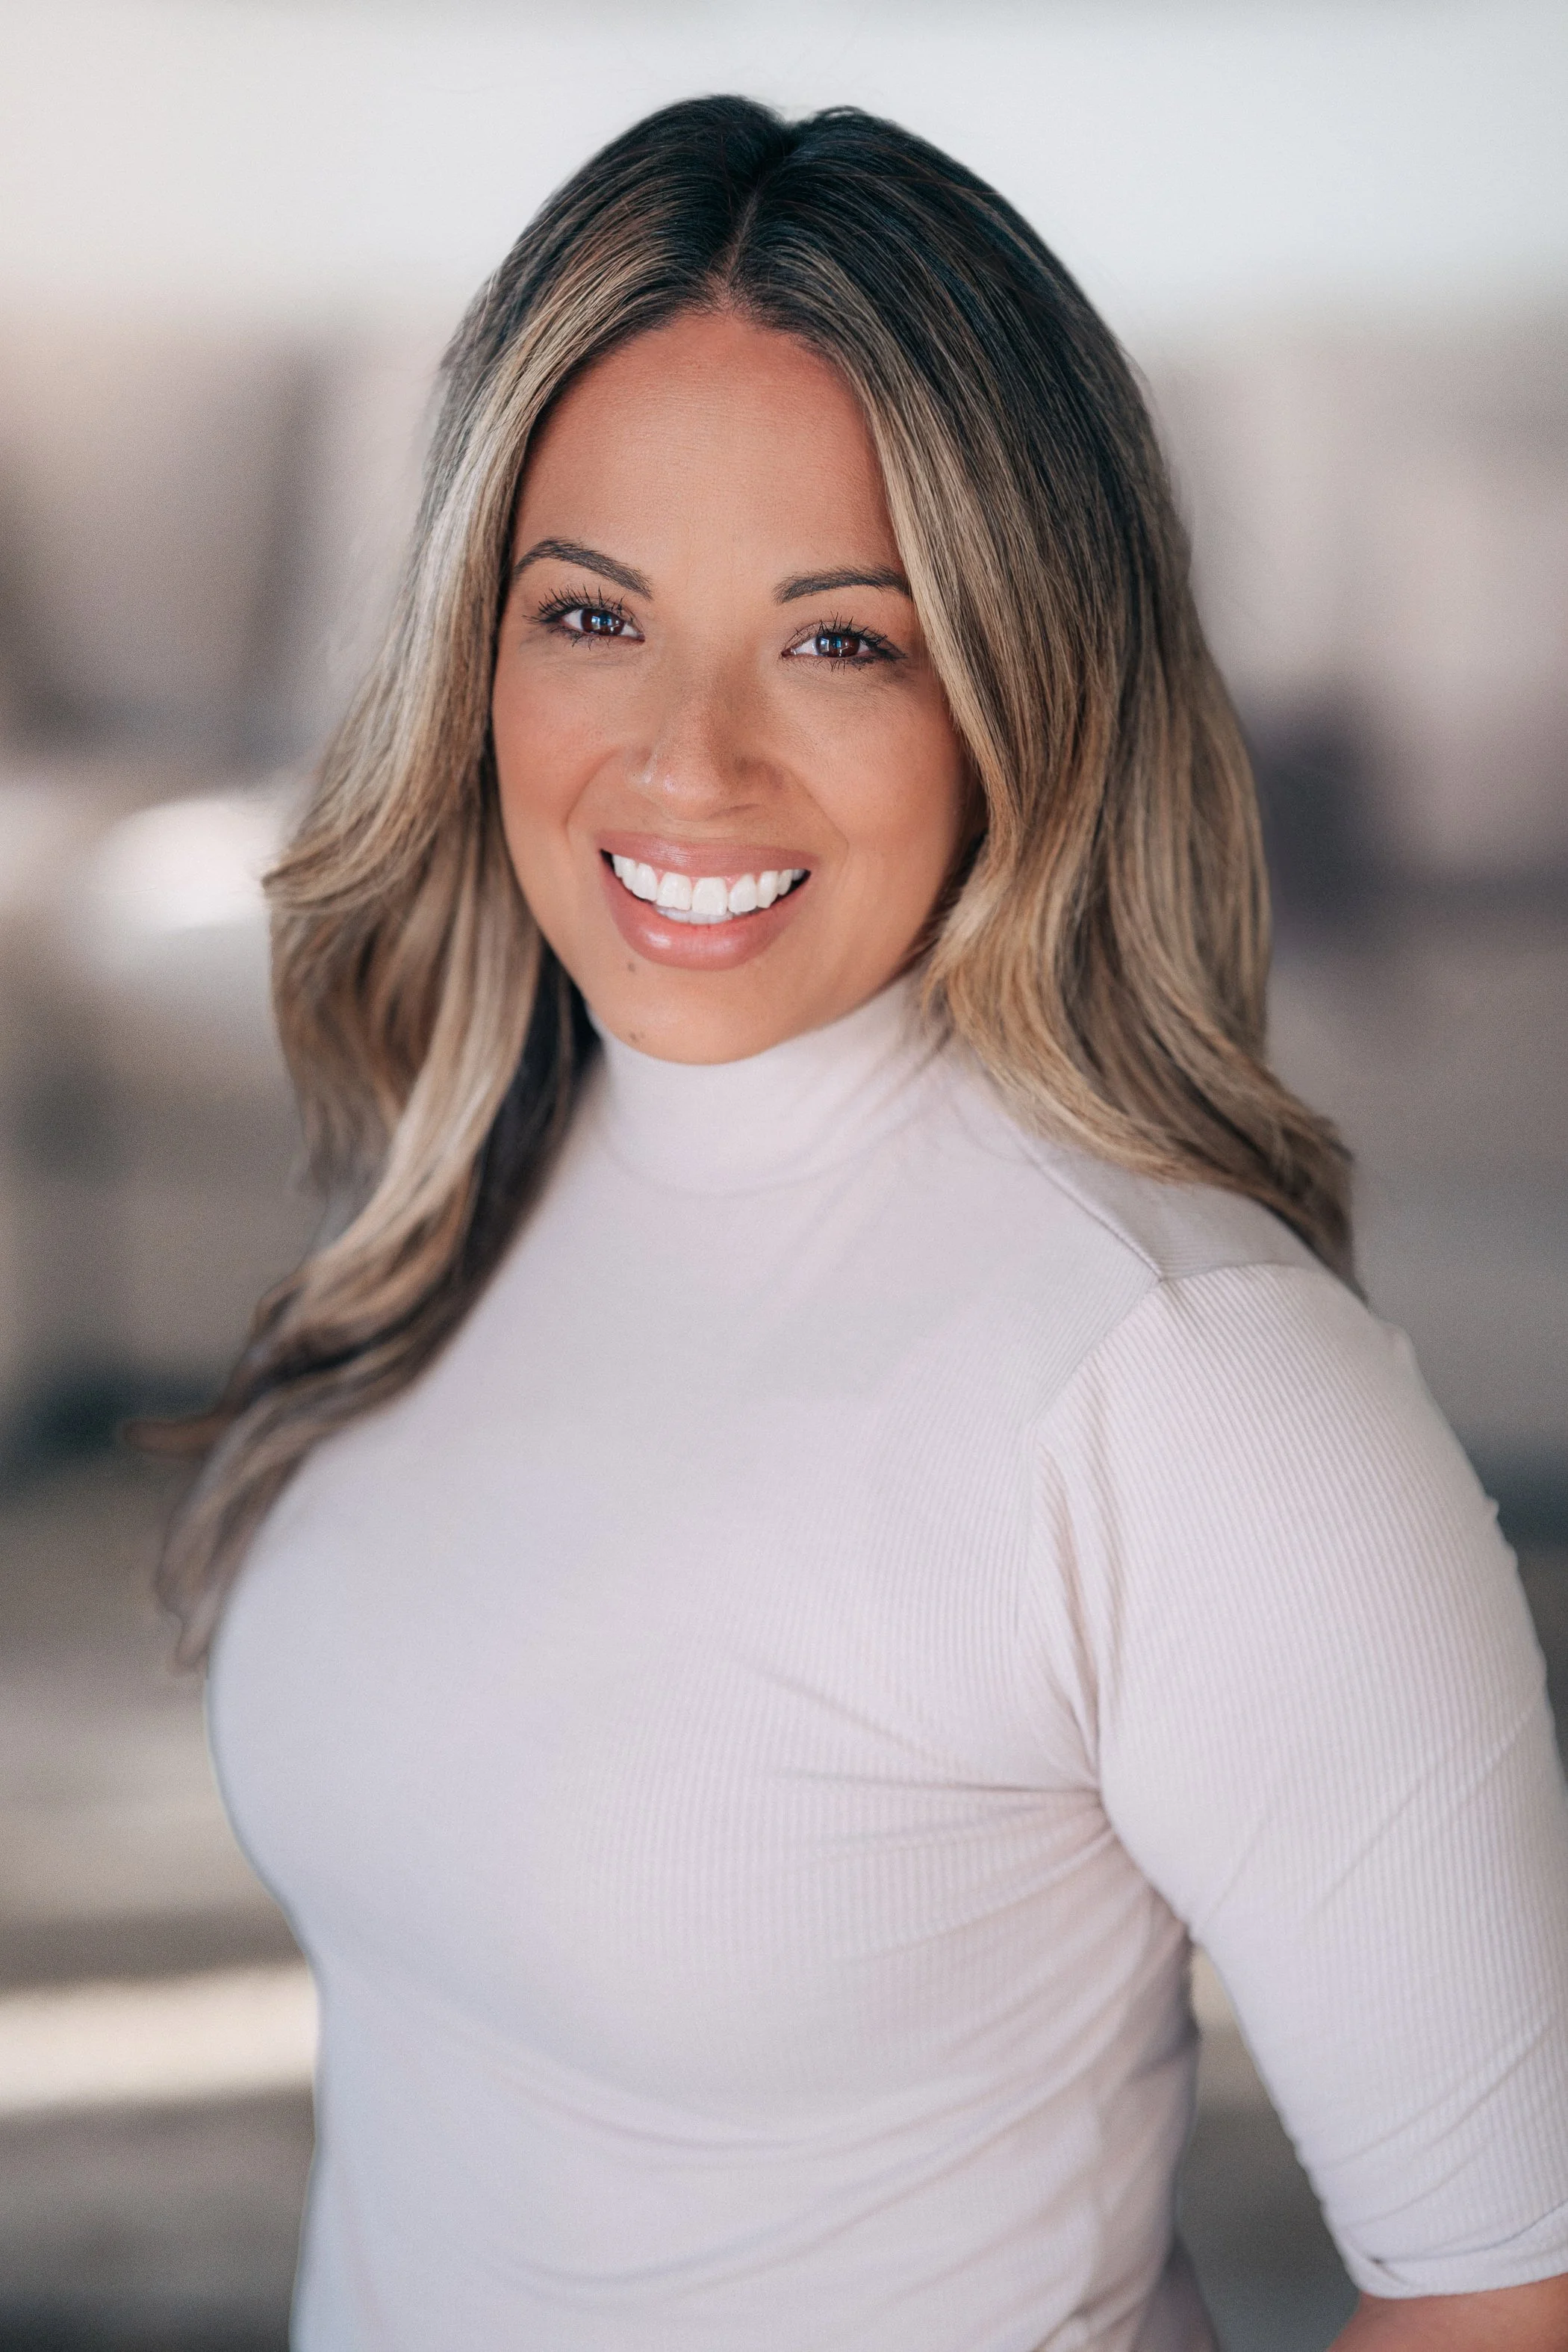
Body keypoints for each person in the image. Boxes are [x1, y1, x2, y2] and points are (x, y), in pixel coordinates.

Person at [155, 98, 1568, 2351]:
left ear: (1028, 687)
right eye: (593, 612)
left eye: (839, 643)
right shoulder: (479, 1183)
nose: (686, 761)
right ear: (472, 650)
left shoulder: (1192, 1390)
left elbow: (1511, 2286)